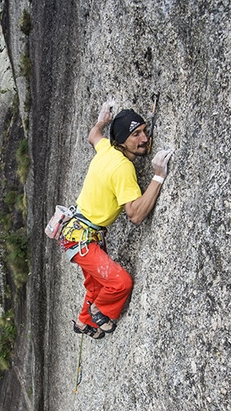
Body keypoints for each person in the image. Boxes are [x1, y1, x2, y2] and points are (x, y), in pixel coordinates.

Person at [60, 102, 173, 339]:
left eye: (144, 130)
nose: (144, 138)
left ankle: (83, 323)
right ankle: (100, 311)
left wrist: (102, 120)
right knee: (120, 283)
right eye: (135, 134)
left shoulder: (107, 149)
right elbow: (135, 215)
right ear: (122, 141)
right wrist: (158, 177)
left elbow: (94, 135)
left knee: (97, 285)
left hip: (76, 234)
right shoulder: (123, 168)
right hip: (83, 240)